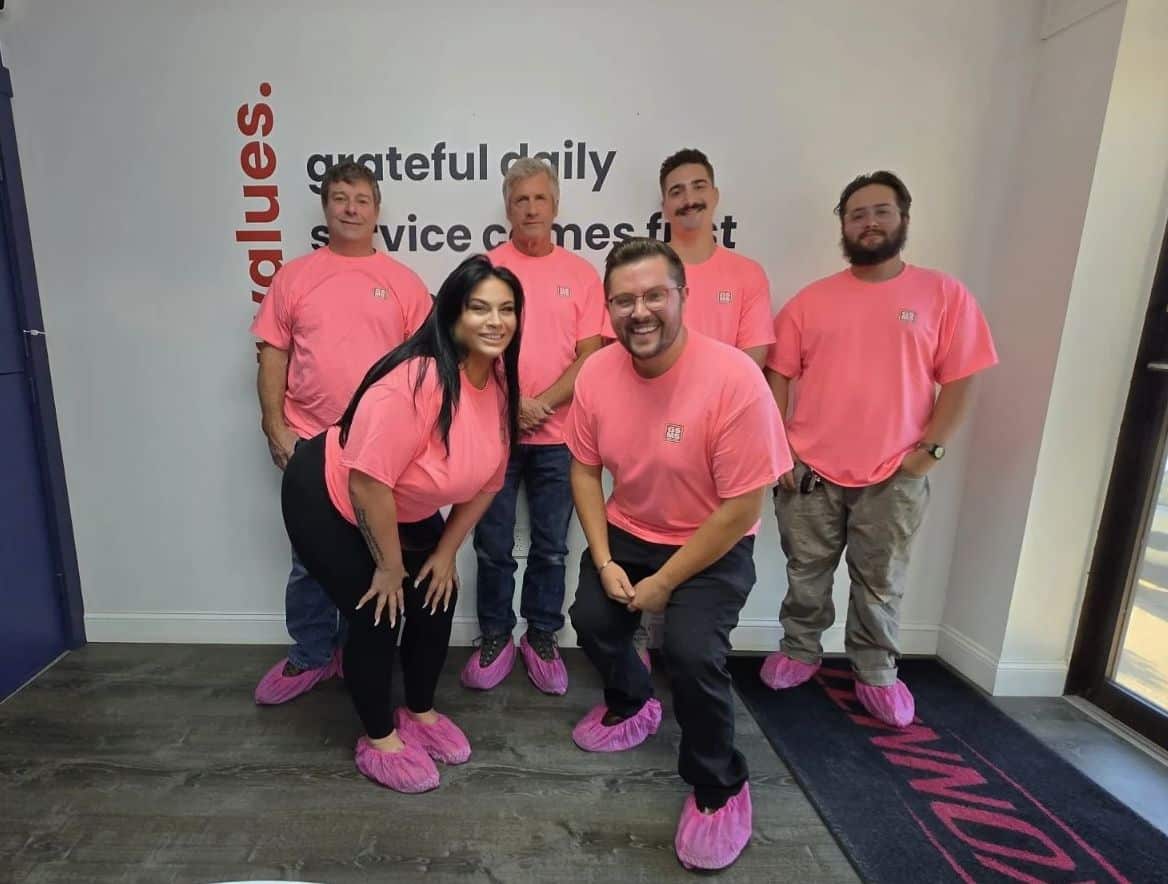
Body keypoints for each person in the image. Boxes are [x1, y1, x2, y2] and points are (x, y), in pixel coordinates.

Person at [566, 238, 790, 870]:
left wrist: (664, 582)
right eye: (623, 300)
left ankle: (720, 784)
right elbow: (584, 472)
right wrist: (606, 561)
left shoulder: (736, 379)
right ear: (607, 308)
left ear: (682, 297)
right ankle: (634, 702)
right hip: (631, 529)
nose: (639, 311)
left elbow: (743, 509)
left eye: (654, 295)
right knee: (592, 619)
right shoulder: (596, 375)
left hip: (711, 542)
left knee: (693, 654)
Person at [762, 171, 997, 728]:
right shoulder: (809, 303)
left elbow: (962, 379)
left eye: (881, 211)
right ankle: (799, 651)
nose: (869, 223)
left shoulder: (942, 295)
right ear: (842, 226)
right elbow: (778, 378)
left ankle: (874, 671)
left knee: (881, 579)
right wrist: (783, 453)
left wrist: (930, 452)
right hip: (812, 469)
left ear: (903, 219)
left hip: (895, 470)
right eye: (857, 214)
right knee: (806, 572)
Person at [279, 255, 523, 792]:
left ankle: (419, 710)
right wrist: (390, 567)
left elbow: (487, 481)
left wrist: (444, 554)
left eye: (506, 309)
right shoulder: (416, 382)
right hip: (328, 492)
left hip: (399, 502)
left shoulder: (500, 386)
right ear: (453, 315)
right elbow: (368, 483)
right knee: (377, 609)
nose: (494, 321)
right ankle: (379, 736)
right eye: (479, 307)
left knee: (438, 595)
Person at [250, 160, 432, 705]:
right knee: (309, 560)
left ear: (376, 211)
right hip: (310, 444)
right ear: (326, 208)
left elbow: (425, 370)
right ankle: (310, 654)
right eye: (340, 198)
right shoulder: (295, 277)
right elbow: (272, 354)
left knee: (373, 555)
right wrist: (274, 426)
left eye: (361, 199)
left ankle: (361, 656)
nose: (351, 208)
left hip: (379, 451)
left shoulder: (403, 283)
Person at [462, 158, 604, 695]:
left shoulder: (581, 274)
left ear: (555, 206)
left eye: (540, 199)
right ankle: (495, 634)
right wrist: (514, 402)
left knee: (551, 547)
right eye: (520, 200)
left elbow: (591, 355)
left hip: (561, 438)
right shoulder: (484, 268)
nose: (530, 209)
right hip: (495, 435)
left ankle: (541, 634)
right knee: (492, 543)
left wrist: (540, 402)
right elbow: (468, 346)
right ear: (508, 208)